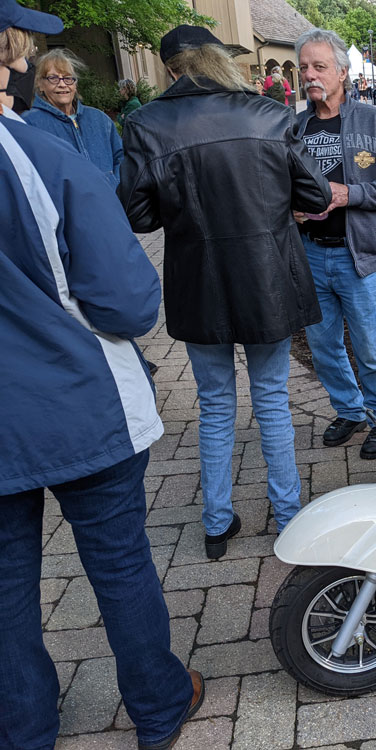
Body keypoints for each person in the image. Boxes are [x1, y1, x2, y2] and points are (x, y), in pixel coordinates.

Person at [0, 5, 203, 749]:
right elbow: (129, 301)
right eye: (22, 53)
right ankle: (158, 705)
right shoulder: (41, 159)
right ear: (10, 57)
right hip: (77, 401)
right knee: (119, 563)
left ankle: (24, 726)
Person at [118, 25, 333, 558]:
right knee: (272, 400)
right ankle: (288, 517)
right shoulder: (269, 115)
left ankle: (216, 522)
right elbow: (316, 194)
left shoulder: (146, 123)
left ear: (171, 69)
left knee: (215, 405)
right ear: (218, 59)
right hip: (267, 279)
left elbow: (138, 215)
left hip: (200, 282)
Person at [294, 28, 376, 459]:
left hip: (357, 254)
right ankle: (349, 410)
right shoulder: (295, 127)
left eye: (319, 66)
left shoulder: (372, 121)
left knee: (370, 346)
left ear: (342, 72)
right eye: (304, 67)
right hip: (310, 252)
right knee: (323, 346)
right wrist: (290, 208)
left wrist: (349, 194)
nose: (310, 75)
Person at [21, 48, 123, 188]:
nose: (62, 84)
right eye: (53, 78)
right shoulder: (29, 124)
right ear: (40, 84)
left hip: (108, 200)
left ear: (75, 84)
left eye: (68, 78)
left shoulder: (100, 119)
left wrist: (115, 187)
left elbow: (121, 159)